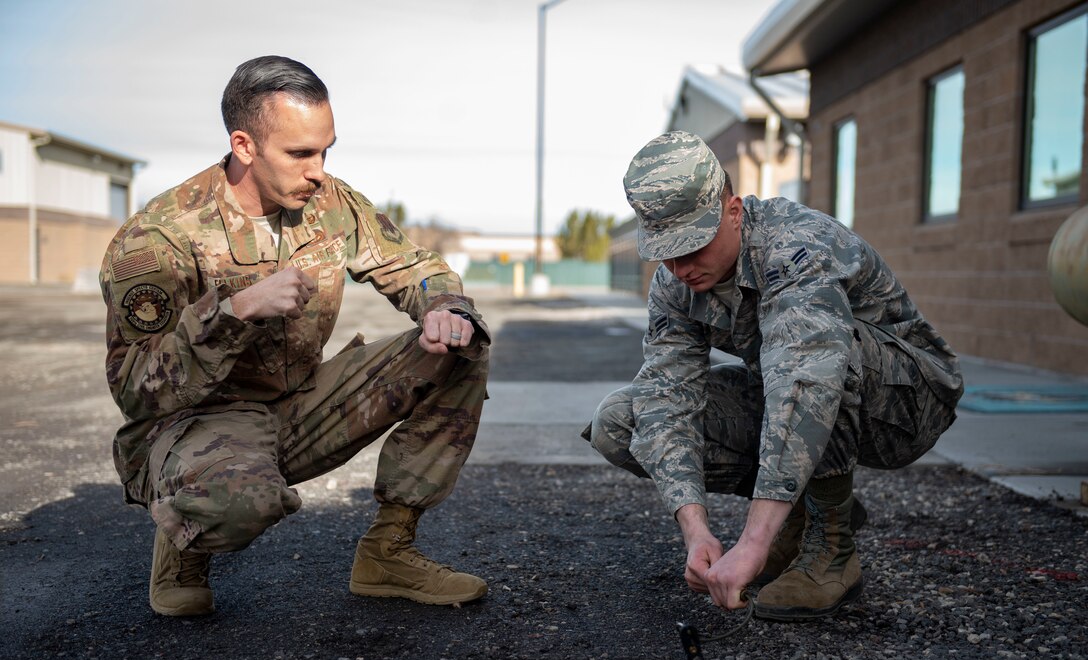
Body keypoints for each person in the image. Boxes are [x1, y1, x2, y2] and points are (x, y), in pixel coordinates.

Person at [100, 56, 490, 617]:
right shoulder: (160, 239)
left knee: (462, 345)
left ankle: (389, 551)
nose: (319, 170)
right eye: (301, 154)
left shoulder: (329, 203)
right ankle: (185, 533)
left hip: (302, 404)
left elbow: (413, 265)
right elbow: (135, 390)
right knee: (241, 504)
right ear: (244, 146)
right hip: (200, 423)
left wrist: (441, 307)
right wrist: (233, 311)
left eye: (326, 150)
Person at [587, 131, 963, 621]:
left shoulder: (794, 246)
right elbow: (667, 398)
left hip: (907, 401)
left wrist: (752, 542)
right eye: (665, 250)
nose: (680, 267)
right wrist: (696, 530)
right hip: (798, 390)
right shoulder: (673, 285)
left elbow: (806, 379)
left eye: (693, 244)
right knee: (624, 420)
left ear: (734, 211)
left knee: (820, 355)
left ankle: (831, 547)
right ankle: (807, 509)